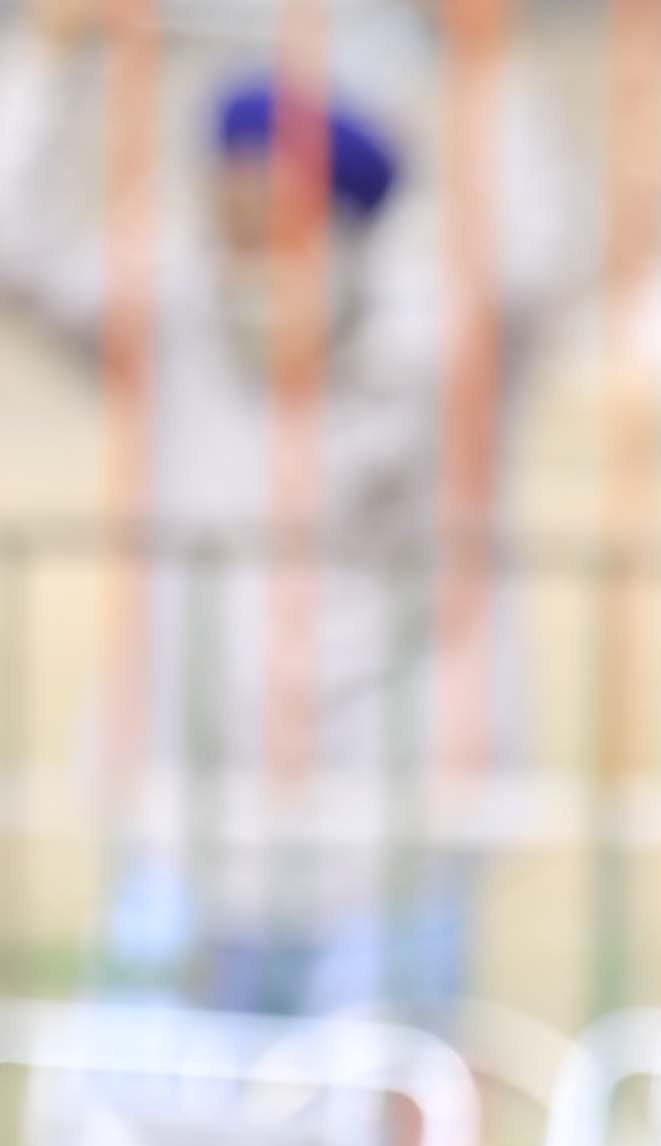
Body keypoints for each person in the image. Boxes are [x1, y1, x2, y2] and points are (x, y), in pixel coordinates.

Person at [0, 2, 568, 1010]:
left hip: (394, 844)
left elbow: (538, 260)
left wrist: (490, 63)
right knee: (138, 1098)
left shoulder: (438, 356)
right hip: (186, 833)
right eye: (232, 226)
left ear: (349, 228)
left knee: (376, 1104)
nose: (253, 260)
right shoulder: (172, 329)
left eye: (279, 225)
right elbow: (16, 245)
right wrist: (52, 59)